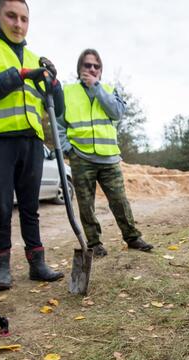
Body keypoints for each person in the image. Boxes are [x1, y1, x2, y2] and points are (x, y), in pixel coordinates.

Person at [0, 0, 63, 291]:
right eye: (11, 16)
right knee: (2, 206)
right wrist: (19, 75)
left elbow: (58, 110)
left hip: (31, 142)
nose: (18, 24)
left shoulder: (32, 56)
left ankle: (37, 263)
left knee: (31, 207)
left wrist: (54, 84)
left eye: (24, 19)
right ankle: (2, 267)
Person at [56, 49, 152, 258]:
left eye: (96, 66)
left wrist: (96, 87)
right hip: (81, 157)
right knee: (86, 205)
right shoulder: (67, 92)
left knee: (120, 200)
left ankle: (132, 237)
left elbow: (117, 112)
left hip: (108, 157)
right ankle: (94, 243)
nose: (92, 69)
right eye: (87, 65)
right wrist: (68, 148)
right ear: (79, 68)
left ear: (101, 70)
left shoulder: (109, 90)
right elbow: (59, 123)